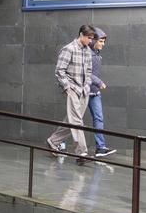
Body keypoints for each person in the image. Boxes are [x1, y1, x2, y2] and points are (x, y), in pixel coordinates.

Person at [45, 25, 96, 164]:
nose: (90, 41)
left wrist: (87, 85)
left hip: (84, 90)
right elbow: (59, 71)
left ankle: (52, 141)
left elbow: (89, 71)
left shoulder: (87, 51)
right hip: (72, 89)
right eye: (88, 38)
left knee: (72, 120)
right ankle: (82, 153)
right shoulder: (69, 49)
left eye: (92, 39)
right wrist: (68, 88)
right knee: (77, 121)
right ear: (81, 35)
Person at [86, 29, 116, 158]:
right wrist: (98, 82)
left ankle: (100, 148)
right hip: (83, 92)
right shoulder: (85, 54)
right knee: (73, 120)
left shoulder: (97, 54)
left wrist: (97, 86)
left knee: (98, 119)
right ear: (93, 41)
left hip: (95, 93)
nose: (103, 44)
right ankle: (59, 142)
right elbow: (86, 72)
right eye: (101, 41)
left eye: (103, 41)